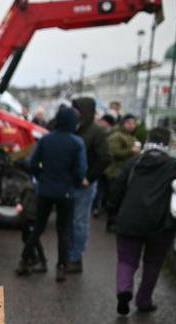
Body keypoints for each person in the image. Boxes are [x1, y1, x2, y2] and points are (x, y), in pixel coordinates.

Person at [108, 127, 176, 315]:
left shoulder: (133, 163)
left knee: (126, 259)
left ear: (148, 141)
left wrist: (114, 212)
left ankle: (124, 290)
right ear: (168, 143)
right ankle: (144, 300)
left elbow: (117, 189)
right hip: (160, 223)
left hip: (129, 220)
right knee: (153, 262)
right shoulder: (174, 166)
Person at [24, 105, 87, 282]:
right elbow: (81, 170)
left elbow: (33, 164)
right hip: (66, 192)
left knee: (38, 227)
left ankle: (24, 260)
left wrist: (41, 178)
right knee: (63, 231)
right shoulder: (77, 142)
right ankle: (61, 267)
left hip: (45, 189)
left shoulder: (46, 140)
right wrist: (73, 184)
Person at [69, 97, 112, 273]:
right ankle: (67, 255)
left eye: (77, 109)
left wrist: (89, 177)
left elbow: (105, 157)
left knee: (79, 222)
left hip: (84, 185)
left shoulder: (96, 132)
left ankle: (76, 258)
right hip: (69, 182)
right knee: (68, 222)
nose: (75, 112)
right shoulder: (73, 127)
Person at [99, 114, 140, 223]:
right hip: (115, 172)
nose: (132, 126)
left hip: (125, 171)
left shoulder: (132, 137)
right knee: (114, 198)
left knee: (121, 198)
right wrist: (131, 152)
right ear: (123, 123)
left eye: (134, 123)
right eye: (129, 123)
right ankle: (111, 221)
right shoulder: (116, 135)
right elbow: (113, 152)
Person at [14, 175, 46, 275]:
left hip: (35, 217)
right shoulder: (27, 184)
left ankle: (39, 260)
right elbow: (20, 195)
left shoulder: (43, 186)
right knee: (25, 237)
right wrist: (18, 203)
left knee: (33, 239)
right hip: (25, 215)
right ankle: (33, 257)